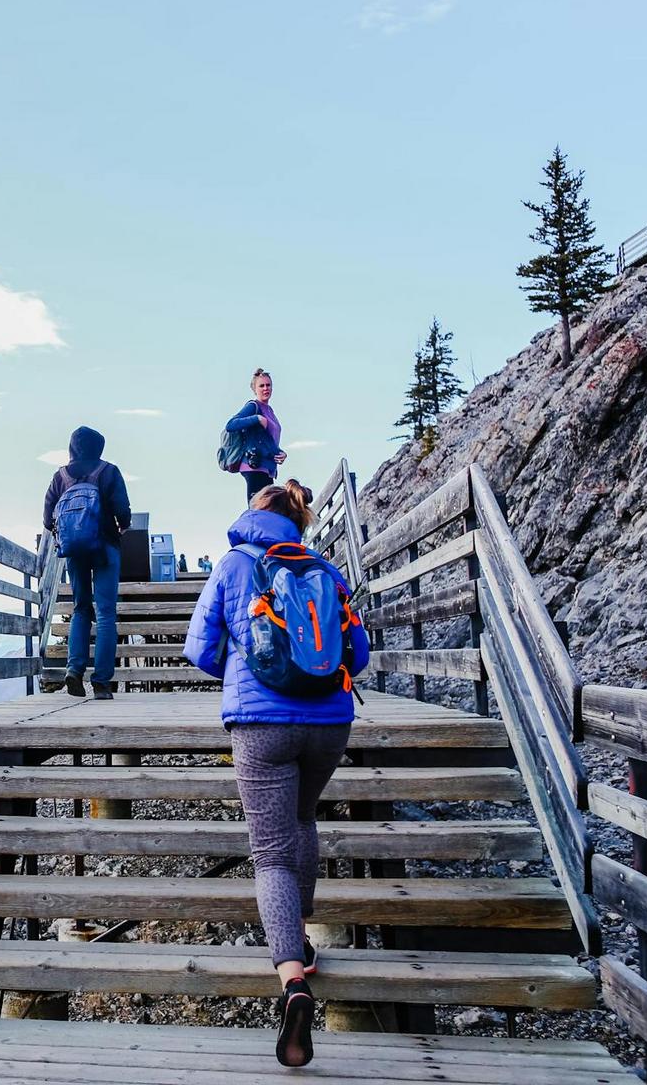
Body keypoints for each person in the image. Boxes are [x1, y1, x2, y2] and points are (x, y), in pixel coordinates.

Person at [183, 480, 369, 1068]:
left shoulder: (234, 563)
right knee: (303, 818)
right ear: (299, 519)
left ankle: (292, 978)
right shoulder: (324, 567)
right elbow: (358, 654)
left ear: (252, 514)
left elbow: (199, 648)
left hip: (260, 723)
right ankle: (305, 936)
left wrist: (243, 664)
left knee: (269, 853)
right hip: (330, 722)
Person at [42, 425, 132, 700]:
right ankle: (102, 683)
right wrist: (122, 527)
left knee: (81, 609)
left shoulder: (60, 476)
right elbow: (122, 510)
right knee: (105, 613)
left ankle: (74, 670)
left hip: (75, 550)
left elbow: (47, 518)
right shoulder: (108, 471)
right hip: (105, 545)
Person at [223, 367, 288, 501]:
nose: (266, 388)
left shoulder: (270, 411)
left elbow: (267, 441)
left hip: (268, 469)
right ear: (255, 389)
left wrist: (280, 453)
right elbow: (230, 425)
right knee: (258, 509)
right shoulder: (253, 406)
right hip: (254, 466)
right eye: (261, 386)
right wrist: (256, 418)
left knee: (268, 510)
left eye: (268, 385)